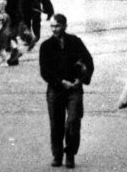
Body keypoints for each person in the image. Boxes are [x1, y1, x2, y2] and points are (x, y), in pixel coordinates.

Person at [39, 14, 94, 169]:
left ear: (64, 26)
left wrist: (81, 79)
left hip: (74, 89)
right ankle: (57, 155)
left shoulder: (75, 42)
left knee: (73, 121)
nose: (54, 29)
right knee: (56, 124)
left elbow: (88, 61)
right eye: (52, 26)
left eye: (57, 26)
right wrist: (61, 82)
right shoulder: (46, 46)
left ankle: (70, 154)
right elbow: (45, 71)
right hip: (55, 90)